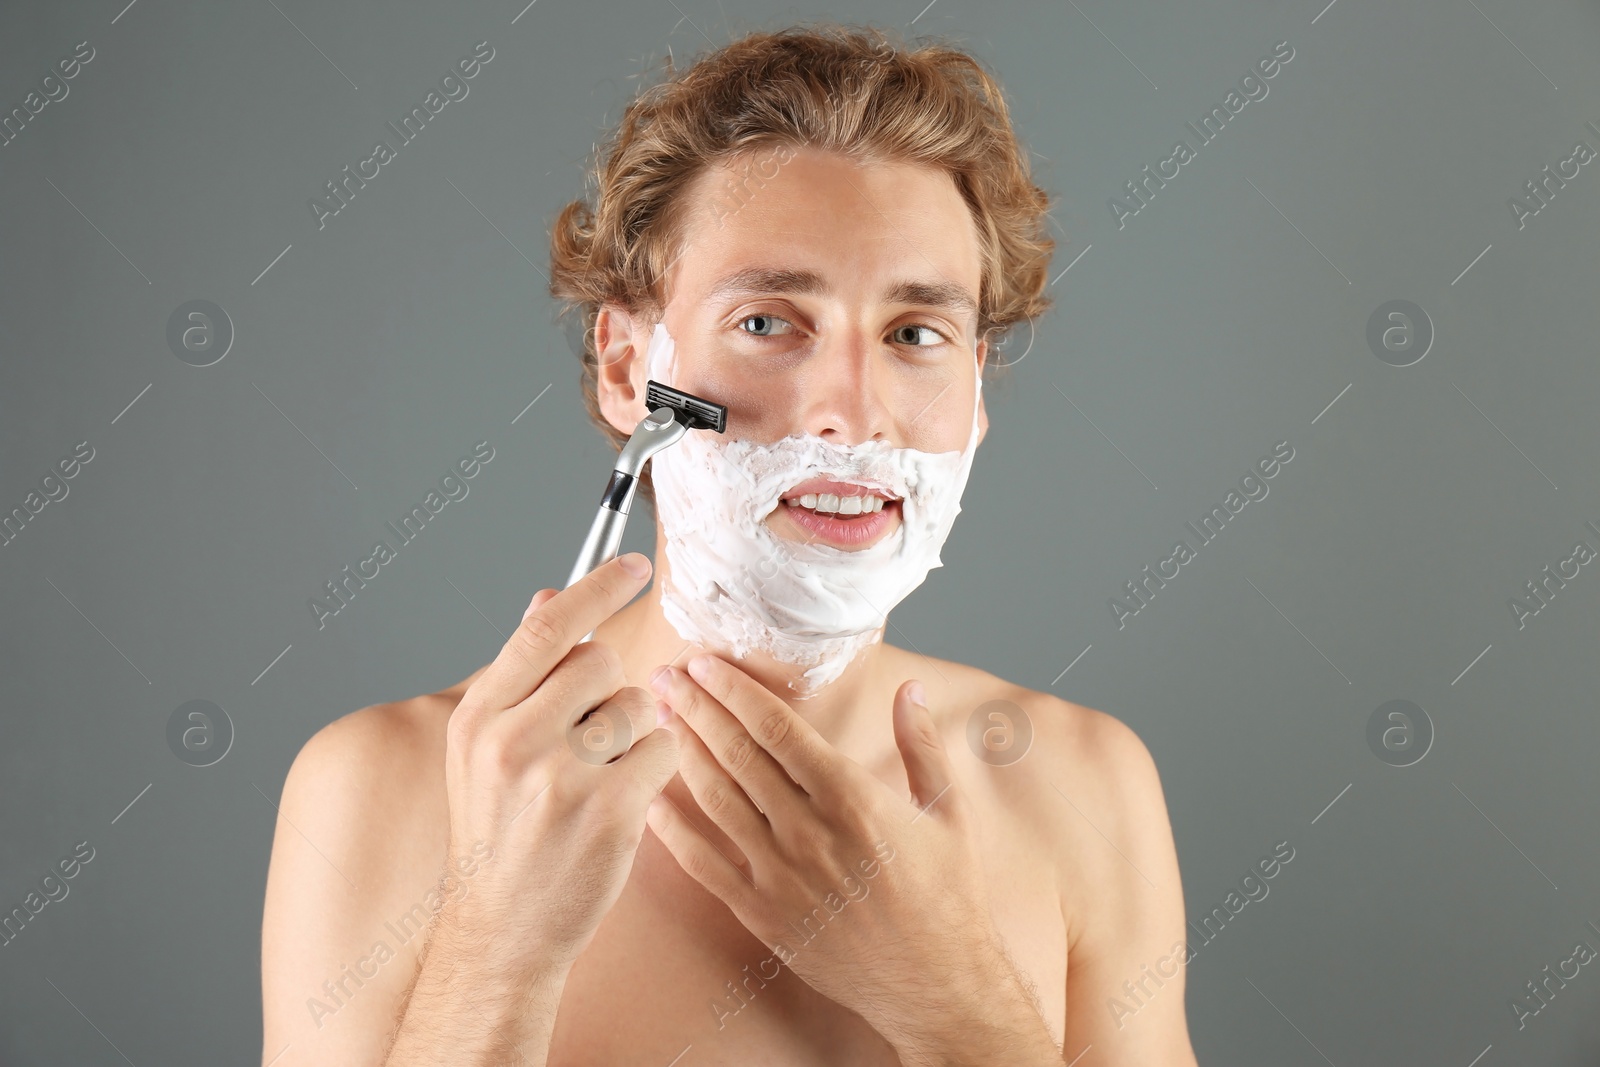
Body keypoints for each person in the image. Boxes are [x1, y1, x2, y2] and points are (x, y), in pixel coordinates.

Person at [260, 23, 1197, 1066]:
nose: (853, 411)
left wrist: (959, 1006)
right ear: (629, 368)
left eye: (913, 335)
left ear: (974, 390)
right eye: (766, 322)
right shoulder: (384, 791)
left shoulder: (1078, 784)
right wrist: (499, 947)